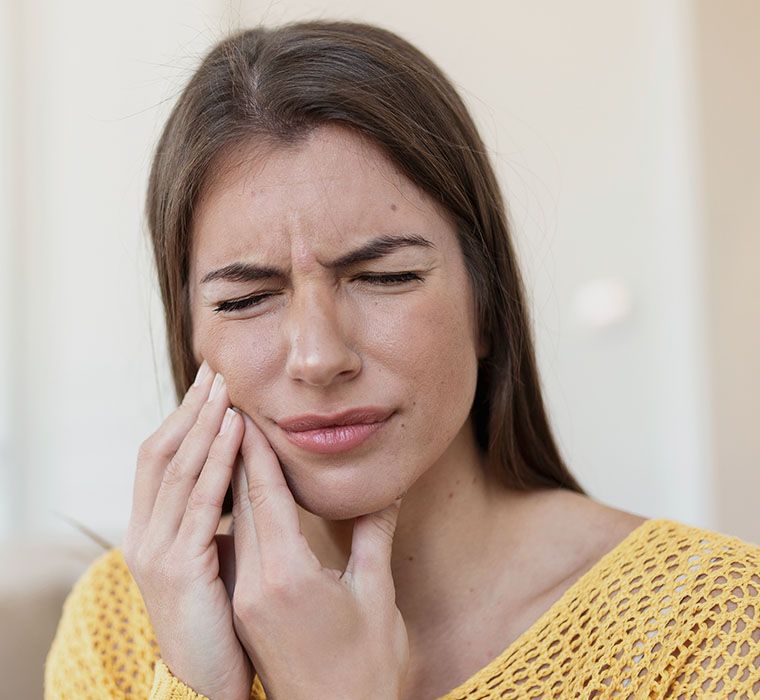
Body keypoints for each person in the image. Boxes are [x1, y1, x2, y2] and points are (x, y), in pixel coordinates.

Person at [44, 19, 759, 700]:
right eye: (245, 299)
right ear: (193, 338)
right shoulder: (122, 625)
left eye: (385, 278)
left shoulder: (711, 624)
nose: (319, 357)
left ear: (488, 304)